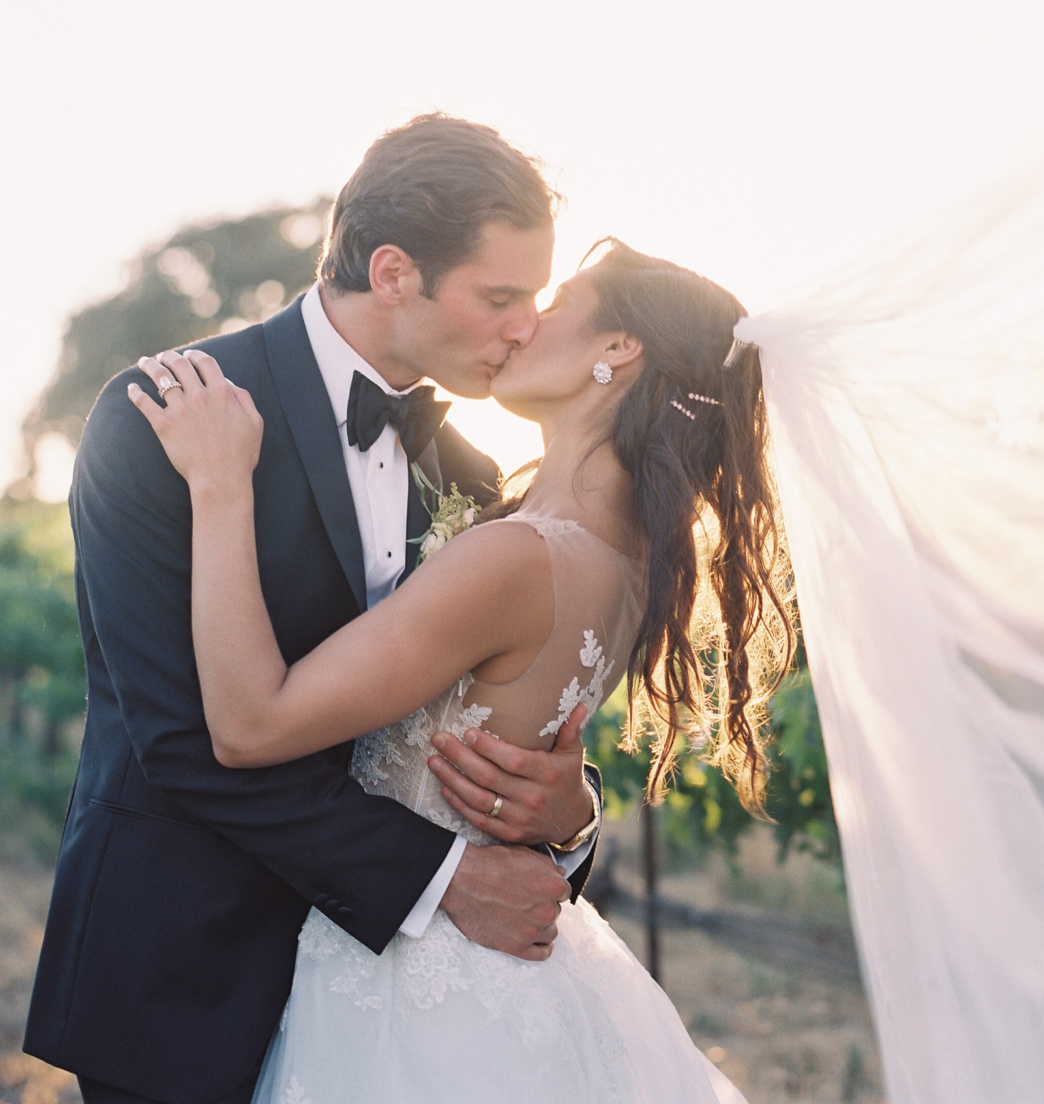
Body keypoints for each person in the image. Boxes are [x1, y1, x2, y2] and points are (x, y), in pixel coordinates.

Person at [25, 115, 608, 1104]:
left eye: (536, 302)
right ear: (392, 274)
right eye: (501, 298)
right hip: (179, 977)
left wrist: (572, 817)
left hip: (389, 1004)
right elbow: (186, 741)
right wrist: (442, 881)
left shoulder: (467, 472)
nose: (523, 328)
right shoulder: (164, 417)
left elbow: (467, 724)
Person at [126, 237, 790, 1102]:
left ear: (617, 350)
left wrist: (220, 486)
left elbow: (252, 725)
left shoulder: (515, 556)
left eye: (552, 308)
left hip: (412, 996)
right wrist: (575, 813)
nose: (521, 328)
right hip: (506, 983)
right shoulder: (630, 560)